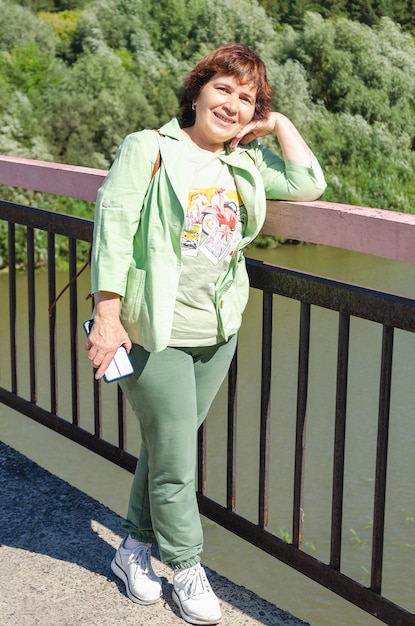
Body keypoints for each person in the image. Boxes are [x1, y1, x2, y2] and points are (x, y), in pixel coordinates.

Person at [85, 43, 326, 626]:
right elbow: (114, 228)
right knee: (177, 459)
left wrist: (279, 122)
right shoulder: (150, 148)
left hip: (218, 329)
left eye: (247, 99)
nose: (233, 105)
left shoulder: (245, 161)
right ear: (196, 91)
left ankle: (133, 549)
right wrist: (109, 315)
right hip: (154, 331)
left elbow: (309, 182)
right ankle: (187, 566)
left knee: (167, 446)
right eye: (224, 89)